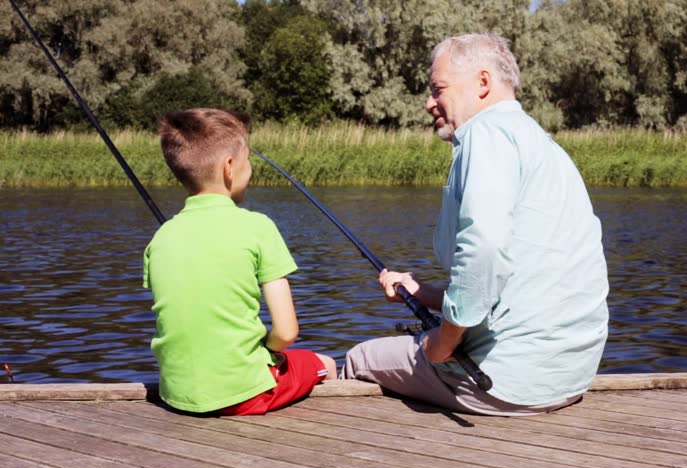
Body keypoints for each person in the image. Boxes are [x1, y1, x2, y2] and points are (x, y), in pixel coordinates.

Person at [341, 33, 609, 416]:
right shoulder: (539, 142)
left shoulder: (485, 135)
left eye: (438, 89)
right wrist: (423, 292)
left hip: (508, 381)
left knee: (359, 359)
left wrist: (443, 343)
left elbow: (484, 248)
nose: (428, 102)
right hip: (569, 376)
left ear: (483, 83)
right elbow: (518, 274)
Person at [143, 108, 336, 416]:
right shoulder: (258, 227)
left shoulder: (160, 239)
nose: (252, 170)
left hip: (176, 393)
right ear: (229, 167)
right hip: (245, 394)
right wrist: (269, 352)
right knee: (324, 364)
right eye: (249, 161)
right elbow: (286, 332)